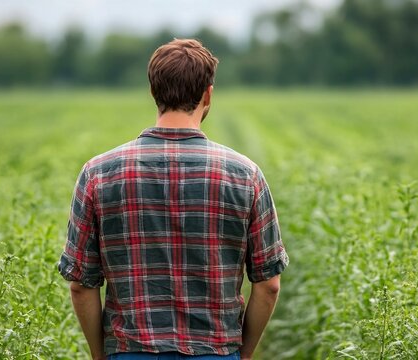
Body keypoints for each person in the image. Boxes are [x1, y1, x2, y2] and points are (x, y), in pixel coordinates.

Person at [58, 38, 289, 360]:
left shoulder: (98, 173)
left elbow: (81, 284)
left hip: (130, 352)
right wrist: (243, 354)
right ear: (208, 94)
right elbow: (269, 285)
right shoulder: (245, 175)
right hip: (215, 353)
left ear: (154, 92)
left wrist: (101, 355)